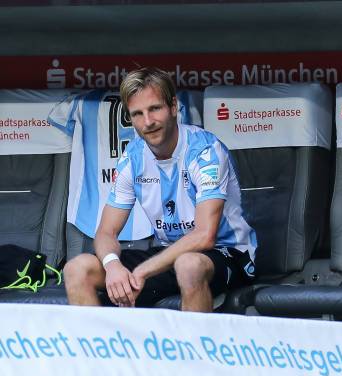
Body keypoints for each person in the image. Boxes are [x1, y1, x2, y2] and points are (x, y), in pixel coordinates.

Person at [63, 67, 257, 312]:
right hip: (167, 256)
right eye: (137, 114)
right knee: (77, 269)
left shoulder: (205, 151)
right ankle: (102, 349)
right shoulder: (132, 157)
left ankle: (195, 349)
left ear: (173, 107)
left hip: (227, 253)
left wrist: (141, 271)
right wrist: (113, 266)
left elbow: (204, 236)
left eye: (155, 109)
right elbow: (105, 232)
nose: (148, 122)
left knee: (188, 265)